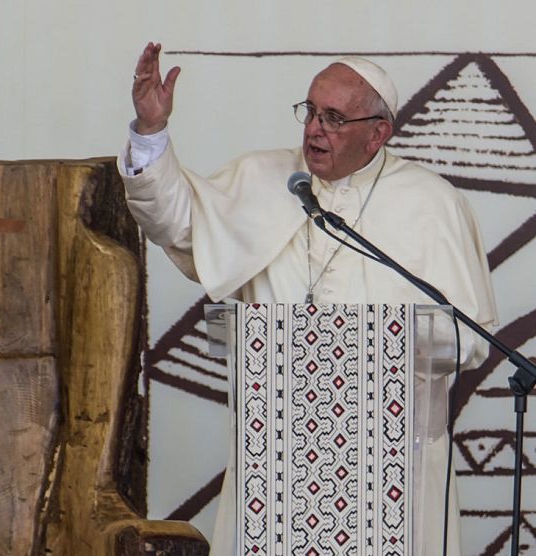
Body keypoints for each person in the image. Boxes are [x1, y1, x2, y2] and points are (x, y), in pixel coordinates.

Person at [118, 42, 498, 556]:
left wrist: (372, 342)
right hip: (277, 456)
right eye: (311, 111)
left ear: (377, 133)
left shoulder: (432, 204)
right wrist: (151, 131)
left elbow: (469, 340)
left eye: (335, 118)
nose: (315, 128)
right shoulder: (264, 178)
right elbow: (173, 221)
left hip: (392, 467)